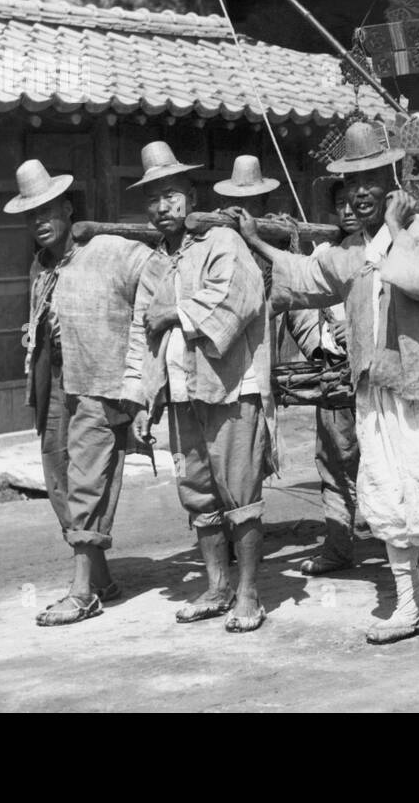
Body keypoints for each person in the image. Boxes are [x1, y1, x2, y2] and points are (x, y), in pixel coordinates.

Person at [246, 121, 419, 652]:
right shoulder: (355, 250)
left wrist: (397, 230)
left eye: (369, 179)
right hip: (375, 393)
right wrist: (257, 240)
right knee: (387, 497)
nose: (357, 193)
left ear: (391, 178)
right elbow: (307, 275)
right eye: (349, 184)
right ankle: (407, 606)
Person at [121, 142, 278, 634]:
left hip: (230, 387)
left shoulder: (222, 243)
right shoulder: (154, 265)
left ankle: (249, 591)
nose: (163, 207)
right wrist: (140, 398)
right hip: (181, 392)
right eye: (153, 199)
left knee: (239, 491)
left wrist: (177, 313)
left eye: (171, 195)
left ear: (190, 196)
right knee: (198, 493)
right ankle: (216, 586)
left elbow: (240, 297)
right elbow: (139, 331)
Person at [6, 160, 152, 627]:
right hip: (53, 386)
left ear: (68, 209)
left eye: (47, 211)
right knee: (59, 479)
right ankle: (102, 579)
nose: (40, 222)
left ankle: (83, 591)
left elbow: (157, 273)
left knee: (89, 480)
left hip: (98, 383)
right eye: (31, 215)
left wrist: (137, 369)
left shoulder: (109, 250)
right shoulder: (40, 265)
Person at [226, 170, 363, 576]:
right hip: (332, 374)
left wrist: (355, 326)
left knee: (387, 465)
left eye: (355, 202)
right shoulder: (318, 254)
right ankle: (339, 547)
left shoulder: (372, 250)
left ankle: (415, 552)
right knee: (333, 463)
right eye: (341, 205)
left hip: (374, 375)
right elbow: (285, 301)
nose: (349, 211)